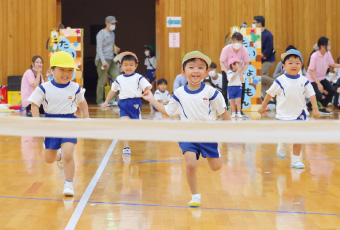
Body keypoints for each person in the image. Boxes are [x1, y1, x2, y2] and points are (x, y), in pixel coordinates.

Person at [143, 51, 230, 207]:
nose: (195, 71)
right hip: (187, 134)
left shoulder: (212, 93)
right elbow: (168, 111)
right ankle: (195, 195)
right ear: (183, 72)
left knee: (216, 167)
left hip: (208, 135)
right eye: (191, 67)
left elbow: (224, 113)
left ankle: (216, 152)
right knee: (190, 165)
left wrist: (232, 133)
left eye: (200, 68)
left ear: (207, 72)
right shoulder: (179, 93)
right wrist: (151, 99)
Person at [28, 51, 90, 196]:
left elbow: (83, 103)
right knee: (48, 159)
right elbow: (34, 105)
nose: (66, 74)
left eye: (70, 70)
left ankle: (68, 184)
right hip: (50, 124)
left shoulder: (75, 87)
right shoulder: (43, 88)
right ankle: (59, 157)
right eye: (61, 70)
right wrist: (37, 122)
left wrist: (87, 118)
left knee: (69, 154)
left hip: (70, 122)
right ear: (51, 71)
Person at [258, 49, 320, 168]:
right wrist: (263, 106)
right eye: (290, 63)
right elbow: (269, 94)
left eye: (297, 63)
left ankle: (296, 160)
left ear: (301, 65)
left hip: (300, 115)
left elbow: (312, 95)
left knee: (299, 137)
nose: (294, 65)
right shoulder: (280, 80)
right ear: (284, 65)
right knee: (285, 136)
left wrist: (315, 109)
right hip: (283, 116)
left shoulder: (304, 81)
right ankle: (282, 143)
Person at [103, 52, 152, 160]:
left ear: (136, 66)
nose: (128, 67)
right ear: (121, 66)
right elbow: (112, 91)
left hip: (135, 103)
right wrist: (106, 101)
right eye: (125, 65)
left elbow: (147, 87)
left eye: (131, 65)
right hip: (123, 104)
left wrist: (147, 92)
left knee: (135, 126)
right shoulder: (119, 79)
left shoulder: (139, 77)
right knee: (124, 124)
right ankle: (126, 147)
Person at [306, 36, 340, 115]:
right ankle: (308, 105)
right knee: (318, 96)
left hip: (321, 78)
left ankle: (322, 107)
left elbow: (332, 64)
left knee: (331, 90)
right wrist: (318, 84)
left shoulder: (328, 54)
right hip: (312, 79)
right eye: (327, 45)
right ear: (321, 46)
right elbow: (310, 71)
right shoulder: (314, 56)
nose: (329, 46)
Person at [220, 32, 249, 113]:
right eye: (236, 41)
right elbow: (221, 62)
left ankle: (240, 110)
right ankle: (224, 109)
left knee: (242, 89)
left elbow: (247, 63)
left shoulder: (244, 50)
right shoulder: (226, 49)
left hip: (239, 71)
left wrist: (242, 72)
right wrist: (226, 72)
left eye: (240, 41)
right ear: (232, 41)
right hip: (227, 70)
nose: (238, 43)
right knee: (225, 89)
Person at [95, 16, 120, 105]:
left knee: (116, 78)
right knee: (102, 80)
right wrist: (103, 61)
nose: (114, 25)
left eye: (114, 23)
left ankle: (112, 99)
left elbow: (112, 45)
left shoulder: (113, 34)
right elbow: (99, 48)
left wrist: (115, 49)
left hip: (111, 59)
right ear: (107, 23)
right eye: (112, 23)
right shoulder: (101, 34)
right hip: (102, 60)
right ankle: (100, 101)